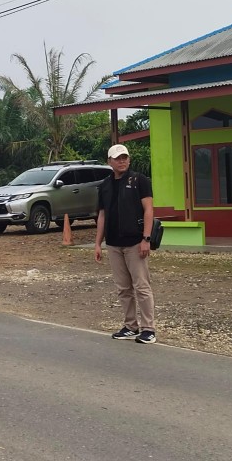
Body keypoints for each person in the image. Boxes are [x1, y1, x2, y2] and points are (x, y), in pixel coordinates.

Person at [94, 143, 156, 344]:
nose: (122, 161)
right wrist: (98, 243)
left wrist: (146, 238)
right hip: (113, 244)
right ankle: (131, 325)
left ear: (129, 159)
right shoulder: (104, 185)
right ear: (109, 161)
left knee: (141, 286)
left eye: (124, 157)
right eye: (117, 158)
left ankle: (149, 328)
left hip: (135, 243)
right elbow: (102, 215)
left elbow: (149, 210)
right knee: (123, 288)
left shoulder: (140, 180)